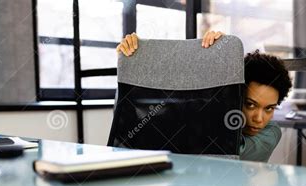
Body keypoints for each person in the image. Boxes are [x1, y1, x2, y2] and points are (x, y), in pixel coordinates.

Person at [117, 31, 292, 163]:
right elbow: (126, 118)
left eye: (269, 108)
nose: (259, 119)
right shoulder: (205, 116)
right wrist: (132, 65)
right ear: (233, 97)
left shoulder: (270, 133)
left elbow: (222, 147)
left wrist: (216, 61)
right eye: (250, 105)